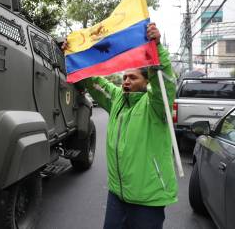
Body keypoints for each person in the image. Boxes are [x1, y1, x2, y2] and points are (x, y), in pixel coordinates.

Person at [64, 23, 178, 229]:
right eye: (124, 77)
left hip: (147, 199)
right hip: (117, 194)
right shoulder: (117, 98)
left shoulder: (156, 105)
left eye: (133, 77)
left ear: (146, 81)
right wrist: (73, 53)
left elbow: (165, 83)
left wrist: (157, 48)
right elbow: (95, 83)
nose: (126, 81)